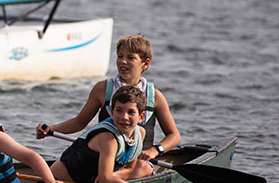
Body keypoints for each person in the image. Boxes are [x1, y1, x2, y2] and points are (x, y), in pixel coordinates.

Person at [36, 34, 180, 160]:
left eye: (130, 58)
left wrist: (155, 150)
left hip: (138, 163)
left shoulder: (155, 96)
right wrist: (51, 129)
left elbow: (174, 136)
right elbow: (79, 122)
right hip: (106, 159)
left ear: (145, 63)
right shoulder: (102, 89)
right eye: (120, 56)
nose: (122, 61)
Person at [49, 85, 162, 183]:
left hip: (87, 182)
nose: (124, 117)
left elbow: (130, 168)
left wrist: (111, 177)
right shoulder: (109, 138)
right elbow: (104, 181)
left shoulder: (140, 133)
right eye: (119, 110)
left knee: (145, 167)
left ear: (141, 117)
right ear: (112, 112)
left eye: (131, 112)